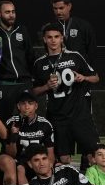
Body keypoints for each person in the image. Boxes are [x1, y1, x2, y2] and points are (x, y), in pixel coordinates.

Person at [32, 23, 100, 171]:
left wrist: (84, 77)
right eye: (49, 37)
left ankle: (93, 184)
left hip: (79, 114)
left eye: (56, 37)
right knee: (63, 159)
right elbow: (34, 91)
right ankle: (68, 183)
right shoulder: (39, 63)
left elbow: (95, 77)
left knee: (93, 155)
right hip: (57, 117)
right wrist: (46, 86)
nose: (53, 40)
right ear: (44, 39)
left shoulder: (74, 56)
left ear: (62, 38)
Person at [3, 91, 55, 185]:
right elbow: (10, 154)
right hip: (20, 160)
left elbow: (50, 152)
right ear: (18, 106)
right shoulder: (11, 122)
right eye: (23, 103)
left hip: (38, 159)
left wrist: (49, 167)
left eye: (30, 103)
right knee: (20, 168)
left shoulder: (45, 124)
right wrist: (13, 137)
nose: (27, 107)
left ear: (36, 106)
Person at [0, 0, 35, 119]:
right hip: (4, 85)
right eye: (7, 12)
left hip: (24, 83)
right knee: (5, 120)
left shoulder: (22, 30)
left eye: (13, 12)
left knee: (27, 119)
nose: (11, 15)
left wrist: (31, 77)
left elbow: (30, 55)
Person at [49, 0, 97, 67]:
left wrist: (88, 70)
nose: (58, 12)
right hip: (59, 70)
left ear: (69, 6)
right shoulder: (50, 28)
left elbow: (92, 51)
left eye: (61, 8)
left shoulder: (83, 26)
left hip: (80, 71)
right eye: (55, 8)